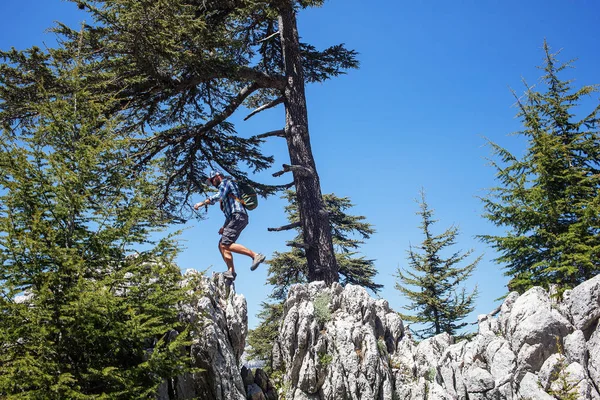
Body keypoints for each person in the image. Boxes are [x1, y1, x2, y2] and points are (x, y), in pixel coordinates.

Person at [194, 170, 265, 280]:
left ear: (217, 176)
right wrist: (224, 226)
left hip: (238, 216)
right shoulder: (227, 188)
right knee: (221, 245)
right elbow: (229, 212)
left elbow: (219, 196)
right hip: (235, 217)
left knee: (226, 244)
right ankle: (231, 271)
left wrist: (202, 203)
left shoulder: (226, 183)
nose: (212, 183)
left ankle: (255, 255)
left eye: (212, 180)